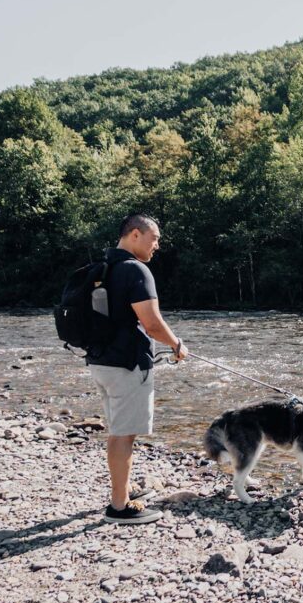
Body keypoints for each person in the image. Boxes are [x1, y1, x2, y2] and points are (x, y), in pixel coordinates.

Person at [86, 213, 188, 524]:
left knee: (119, 430)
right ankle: (119, 506)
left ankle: (124, 490)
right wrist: (176, 345)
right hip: (127, 363)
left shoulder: (102, 268)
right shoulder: (136, 270)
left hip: (101, 360)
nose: (157, 245)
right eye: (153, 238)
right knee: (124, 433)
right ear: (134, 234)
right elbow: (152, 323)